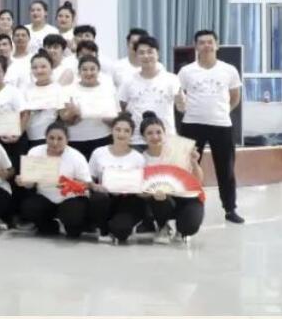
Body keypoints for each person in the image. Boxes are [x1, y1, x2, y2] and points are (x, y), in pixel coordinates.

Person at [177, 29, 244, 224]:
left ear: (217, 45)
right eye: (202, 42)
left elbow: (235, 97)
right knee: (186, 166)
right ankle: (184, 206)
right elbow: (179, 96)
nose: (206, 45)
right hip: (191, 124)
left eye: (210, 42)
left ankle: (230, 209)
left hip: (221, 125)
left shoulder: (229, 70)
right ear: (196, 46)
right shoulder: (186, 71)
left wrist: (222, 112)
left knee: (226, 169)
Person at [16, 122, 91, 238]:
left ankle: (73, 225)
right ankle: (51, 225)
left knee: (73, 227)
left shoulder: (76, 157)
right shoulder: (35, 152)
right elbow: (30, 185)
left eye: (60, 139)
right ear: (45, 138)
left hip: (69, 197)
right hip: (45, 196)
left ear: (67, 140)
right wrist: (23, 181)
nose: (55, 142)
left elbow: (86, 184)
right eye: (51, 138)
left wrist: (69, 184)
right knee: (29, 208)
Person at [139, 112, 205, 243]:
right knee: (159, 200)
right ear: (143, 137)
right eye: (149, 133)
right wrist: (151, 193)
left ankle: (182, 228)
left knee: (189, 227)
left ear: (165, 133)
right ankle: (163, 226)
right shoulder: (141, 159)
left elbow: (198, 181)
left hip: (186, 198)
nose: (155, 137)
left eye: (158, 132)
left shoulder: (179, 151)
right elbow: (139, 191)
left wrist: (194, 163)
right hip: (162, 200)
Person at [86, 114, 147, 244]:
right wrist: (94, 186)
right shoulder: (99, 152)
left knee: (121, 231)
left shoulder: (138, 158)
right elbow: (89, 178)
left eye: (126, 131)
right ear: (112, 131)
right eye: (118, 129)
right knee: (98, 198)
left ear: (131, 134)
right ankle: (103, 229)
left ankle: (121, 226)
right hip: (105, 198)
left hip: (127, 200)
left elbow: (142, 184)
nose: (121, 134)